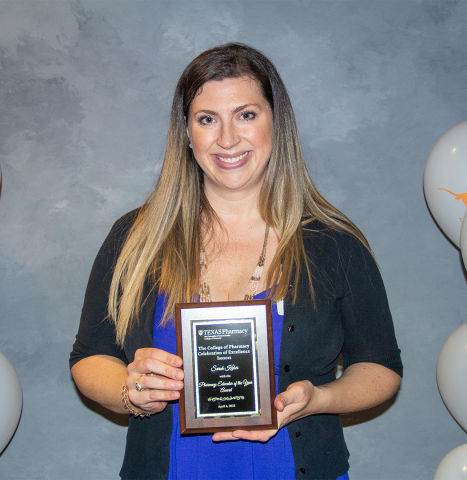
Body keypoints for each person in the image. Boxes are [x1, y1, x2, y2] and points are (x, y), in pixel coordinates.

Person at [70, 43, 402, 480]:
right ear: (187, 133)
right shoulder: (135, 240)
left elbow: (381, 367)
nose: (227, 139)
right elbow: (89, 357)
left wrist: (319, 400)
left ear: (275, 124)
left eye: (246, 115)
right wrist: (129, 391)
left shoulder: (335, 243)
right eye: (207, 119)